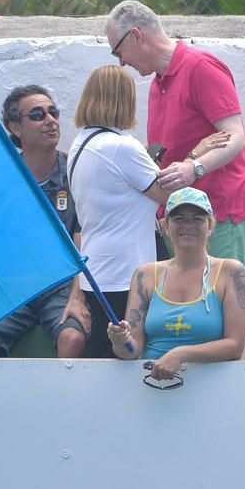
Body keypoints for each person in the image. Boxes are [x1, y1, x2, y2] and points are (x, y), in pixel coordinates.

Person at [104, 0, 245, 266]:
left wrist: (194, 168)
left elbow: (235, 137)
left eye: (118, 52)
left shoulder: (200, 67)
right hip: (180, 216)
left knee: (219, 301)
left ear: (137, 35)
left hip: (219, 214)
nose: (122, 63)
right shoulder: (157, 84)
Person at [0, 85, 89, 358]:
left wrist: (77, 296)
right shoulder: (2, 180)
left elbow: (85, 237)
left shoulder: (76, 172)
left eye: (53, 112)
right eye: (37, 115)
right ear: (15, 128)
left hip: (61, 284)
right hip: (14, 285)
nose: (50, 120)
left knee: (73, 339)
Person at [68, 65, 170, 358]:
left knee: (104, 352)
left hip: (99, 267)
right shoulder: (121, 146)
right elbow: (168, 194)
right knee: (119, 358)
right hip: (127, 271)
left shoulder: (82, 143)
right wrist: (196, 157)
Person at [107, 187, 245, 378]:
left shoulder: (231, 272)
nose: (188, 225)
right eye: (179, 218)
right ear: (166, 226)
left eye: (197, 219)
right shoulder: (145, 274)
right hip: (152, 384)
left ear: (210, 226)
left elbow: (235, 346)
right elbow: (131, 350)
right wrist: (120, 340)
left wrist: (180, 355)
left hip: (213, 385)